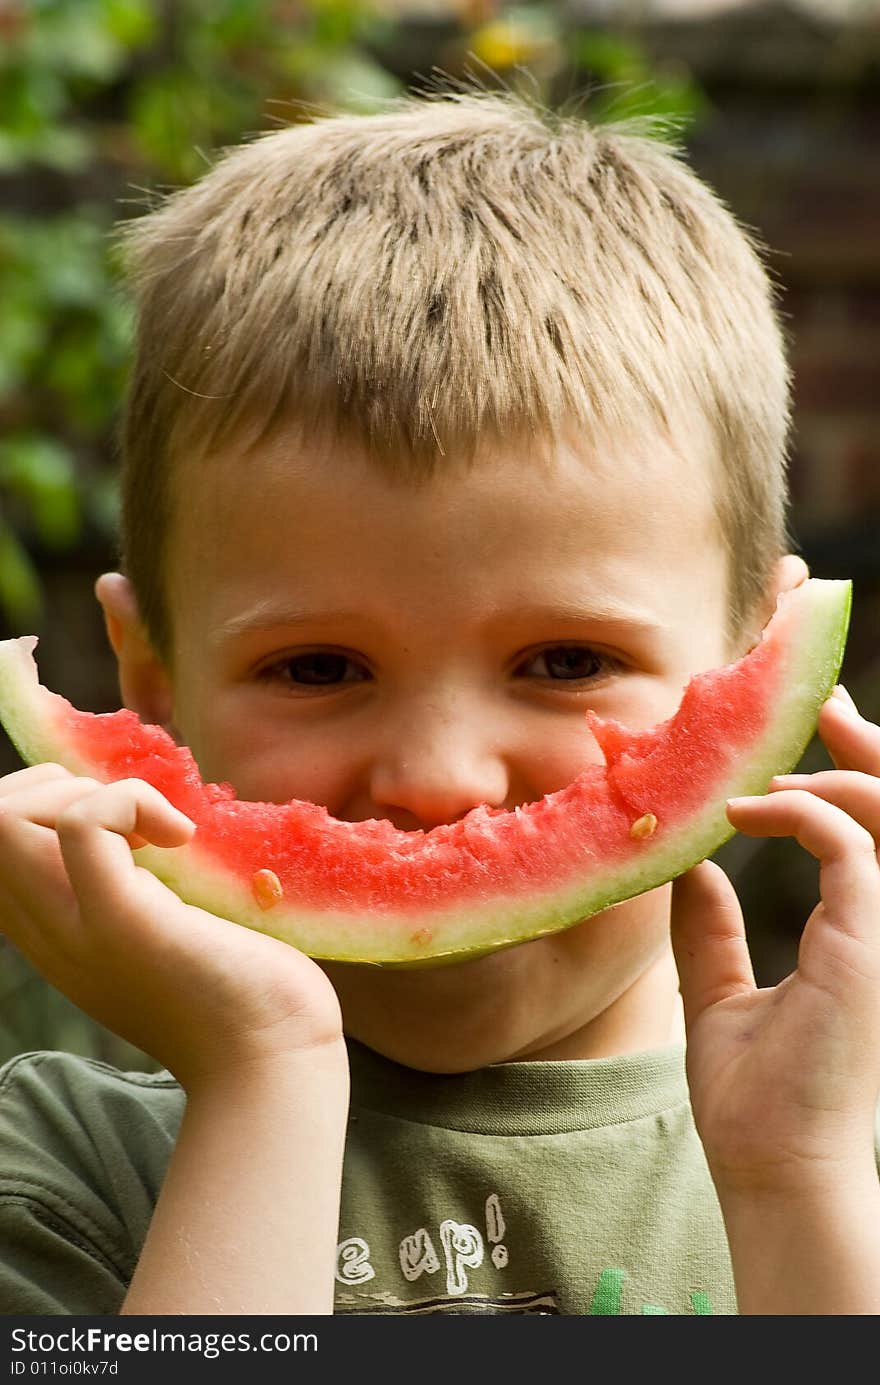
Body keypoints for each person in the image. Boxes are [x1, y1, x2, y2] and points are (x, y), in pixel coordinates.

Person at [0, 89, 878, 1318]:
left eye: (566, 660)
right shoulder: (56, 1173)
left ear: (754, 669)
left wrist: (797, 1185)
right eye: (317, 668)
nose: (441, 777)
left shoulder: (848, 1166)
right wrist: (266, 1076)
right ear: (152, 683)